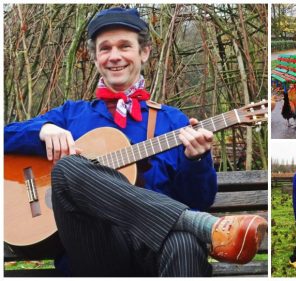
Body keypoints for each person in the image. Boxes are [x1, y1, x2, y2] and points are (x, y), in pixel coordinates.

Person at [4, 7, 267, 277]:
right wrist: (43, 130)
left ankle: (190, 225)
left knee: (186, 242)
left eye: (124, 46)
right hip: (95, 251)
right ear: (95, 58)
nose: (114, 56)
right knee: (69, 167)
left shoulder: (173, 122)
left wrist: (196, 161)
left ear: (144, 53)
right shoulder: (72, 115)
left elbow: (198, 199)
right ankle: (197, 224)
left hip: (155, 254)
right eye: (105, 48)